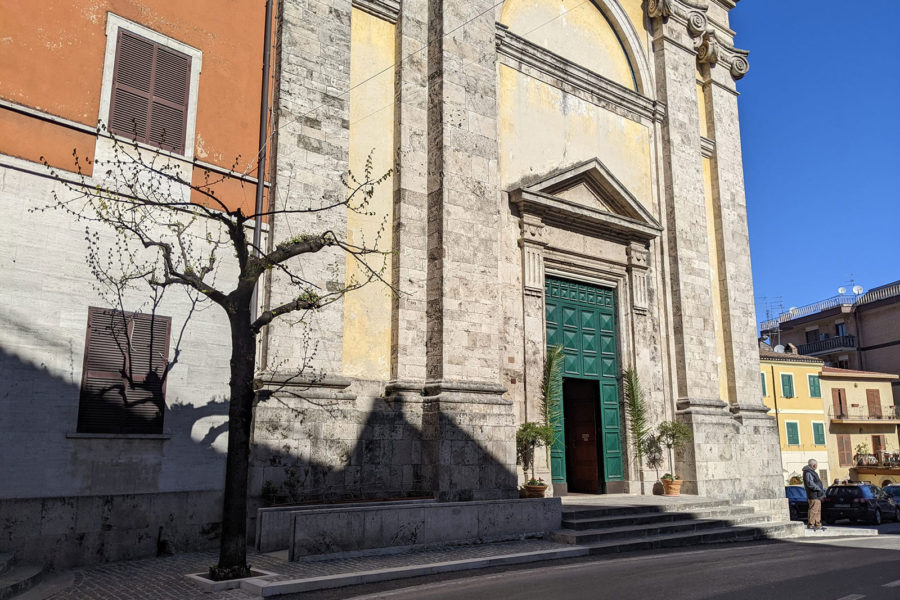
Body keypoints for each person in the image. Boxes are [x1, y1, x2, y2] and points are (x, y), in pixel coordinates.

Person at [802, 459, 827, 531]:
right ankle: (811, 524)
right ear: (814, 465)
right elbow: (810, 483)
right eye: (816, 465)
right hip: (813, 494)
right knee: (813, 509)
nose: (816, 466)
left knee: (818, 510)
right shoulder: (808, 472)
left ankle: (818, 524)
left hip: (817, 495)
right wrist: (818, 488)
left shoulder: (811, 472)